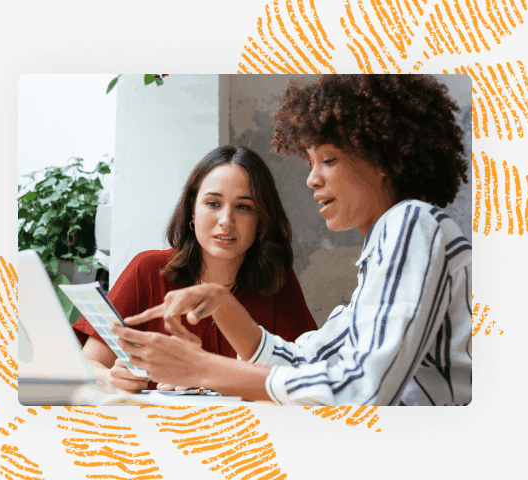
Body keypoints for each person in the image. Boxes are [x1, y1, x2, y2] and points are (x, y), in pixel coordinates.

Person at [110, 74, 472, 406]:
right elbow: (306, 359)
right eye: (310, 163)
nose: (312, 179)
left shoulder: (410, 224)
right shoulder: (383, 257)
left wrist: (202, 369)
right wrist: (223, 305)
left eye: (328, 160)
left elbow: (362, 390)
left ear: (382, 159)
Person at [72, 145, 317, 393]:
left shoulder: (276, 280)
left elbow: (307, 377)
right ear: (192, 210)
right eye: (213, 203)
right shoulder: (146, 270)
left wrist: (209, 377)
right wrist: (110, 377)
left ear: (261, 220)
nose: (226, 220)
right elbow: (87, 363)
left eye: (243, 207)